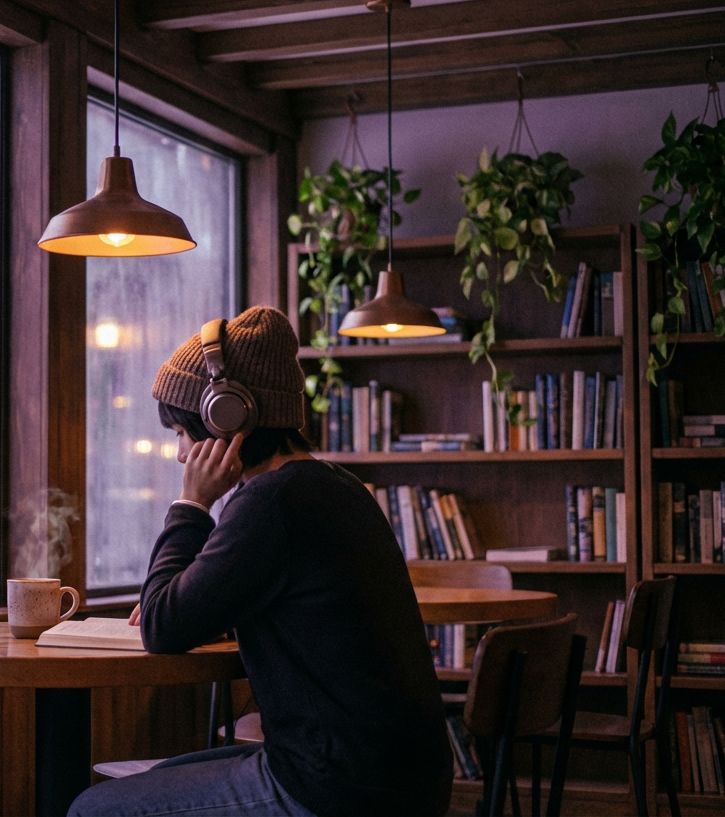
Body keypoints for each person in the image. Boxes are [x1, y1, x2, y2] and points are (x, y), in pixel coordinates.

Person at [69, 306, 451, 817]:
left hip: (338, 786)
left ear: (227, 419)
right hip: (396, 777)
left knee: (92, 810)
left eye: (182, 433)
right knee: (162, 777)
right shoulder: (330, 485)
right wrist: (198, 598)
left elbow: (161, 627)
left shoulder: (272, 502)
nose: (181, 455)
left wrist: (192, 504)